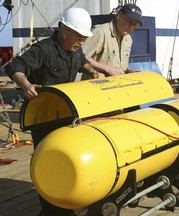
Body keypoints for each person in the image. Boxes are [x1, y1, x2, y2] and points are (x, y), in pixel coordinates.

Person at [5, 7, 98, 216]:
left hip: (66, 116)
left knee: (66, 162)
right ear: (65, 30)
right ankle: (49, 209)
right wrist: (26, 84)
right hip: (44, 118)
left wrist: (94, 72)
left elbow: (83, 63)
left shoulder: (75, 50)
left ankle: (65, 204)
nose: (82, 41)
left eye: (84, 37)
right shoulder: (43, 49)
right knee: (48, 165)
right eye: (79, 36)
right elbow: (14, 67)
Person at [81, 3, 142, 79]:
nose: (131, 27)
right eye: (129, 21)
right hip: (95, 86)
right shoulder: (100, 32)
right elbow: (80, 57)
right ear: (119, 16)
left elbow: (122, 66)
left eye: (134, 24)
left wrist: (129, 71)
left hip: (116, 86)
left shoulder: (128, 39)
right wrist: (107, 68)